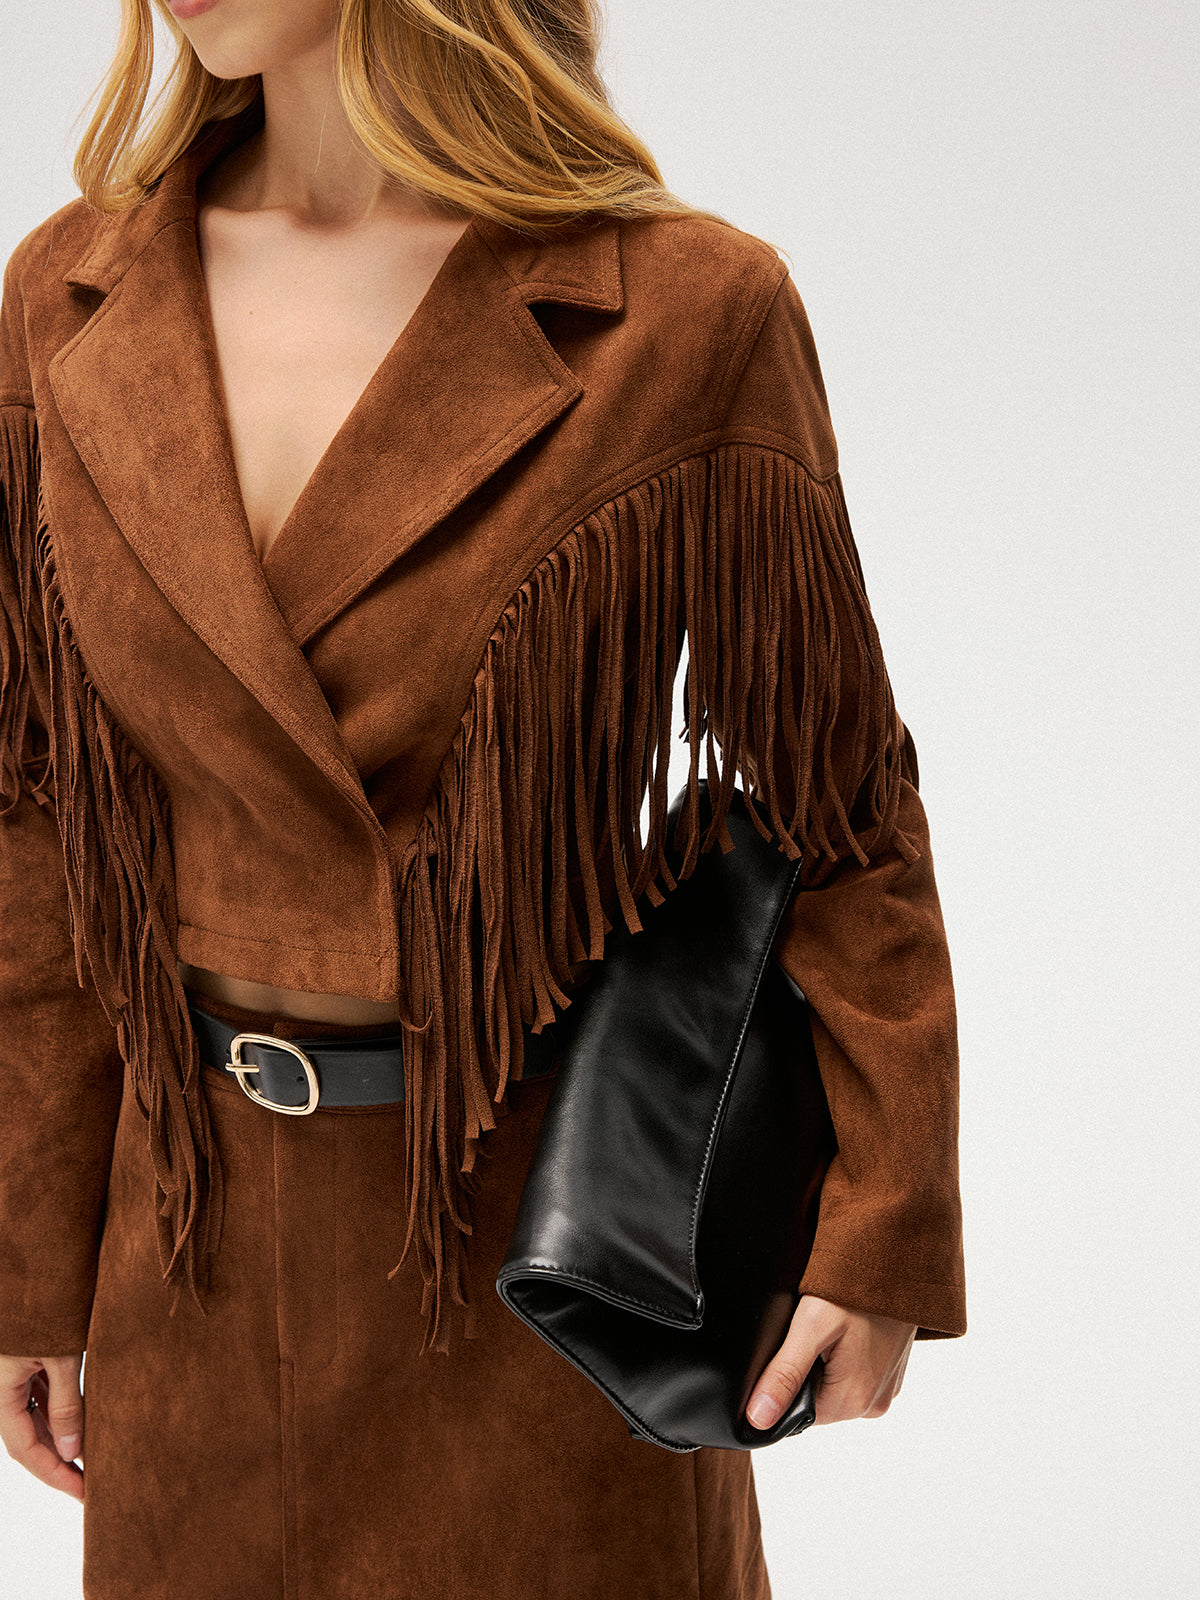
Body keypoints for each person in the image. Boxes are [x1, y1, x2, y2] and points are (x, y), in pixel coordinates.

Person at [0, 2, 966, 1595]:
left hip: (546, 1254)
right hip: (189, 1251)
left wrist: (881, 1223)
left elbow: (838, 803)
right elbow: (36, 805)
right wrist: (30, 1254)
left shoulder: (684, 309)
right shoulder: (72, 291)